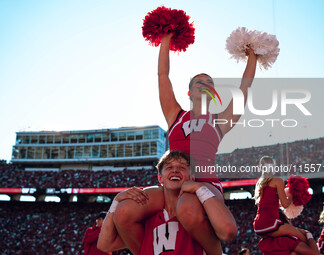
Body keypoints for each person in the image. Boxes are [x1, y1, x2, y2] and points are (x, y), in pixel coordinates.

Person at [113, 32, 257, 254]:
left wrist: (253, 57)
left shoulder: (219, 120)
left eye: (209, 83)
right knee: (124, 212)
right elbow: (163, 75)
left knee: (187, 208)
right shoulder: (176, 115)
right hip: (172, 182)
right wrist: (165, 39)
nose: (204, 84)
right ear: (189, 92)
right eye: (199, 82)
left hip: (204, 182)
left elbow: (244, 90)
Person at [98, 150, 237, 254]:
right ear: (160, 178)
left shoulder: (199, 214)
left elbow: (227, 231)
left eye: (182, 167)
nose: (175, 170)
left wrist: (200, 188)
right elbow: (104, 245)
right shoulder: (146, 220)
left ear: (192, 177)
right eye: (169, 167)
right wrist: (116, 201)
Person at [253, 156, 307, 242]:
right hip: (270, 223)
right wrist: (291, 193)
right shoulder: (277, 180)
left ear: (261, 168)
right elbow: (285, 205)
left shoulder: (259, 183)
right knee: (303, 238)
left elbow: (272, 204)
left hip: (258, 226)